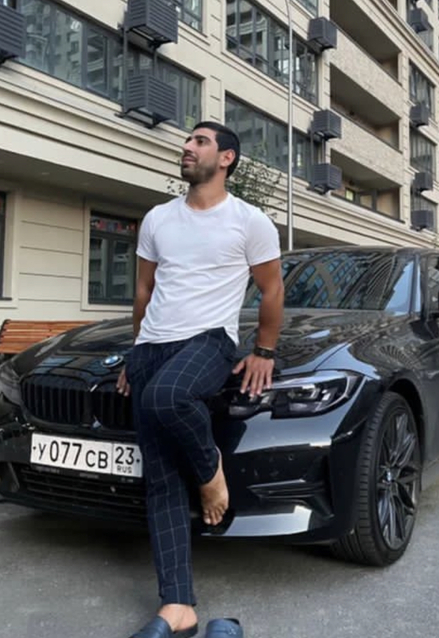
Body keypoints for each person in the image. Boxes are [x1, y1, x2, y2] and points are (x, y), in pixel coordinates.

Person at [116, 120, 284, 638]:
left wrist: (263, 350)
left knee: (168, 397)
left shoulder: (249, 221)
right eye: (188, 141)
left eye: (200, 141)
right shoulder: (157, 218)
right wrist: (135, 351)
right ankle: (178, 606)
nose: (187, 147)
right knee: (161, 479)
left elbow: (271, 289)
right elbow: (144, 291)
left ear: (226, 158)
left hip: (209, 340)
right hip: (152, 345)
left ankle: (211, 472)